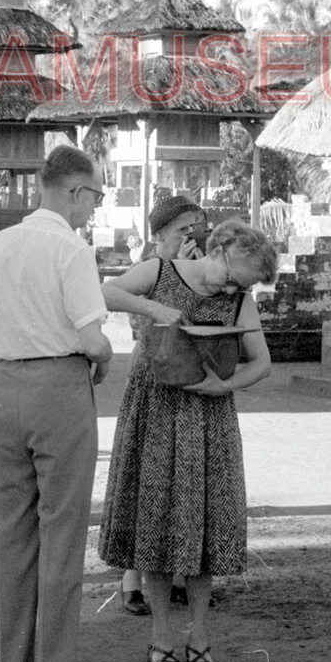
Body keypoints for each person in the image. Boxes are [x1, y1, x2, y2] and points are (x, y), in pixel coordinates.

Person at [0, 145, 114, 662]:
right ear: (74, 191)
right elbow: (93, 339)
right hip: (59, 388)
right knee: (63, 532)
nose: (94, 207)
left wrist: (14, 333)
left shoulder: (2, 242)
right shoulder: (71, 249)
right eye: (95, 195)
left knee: (12, 535)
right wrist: (101, 354)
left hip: (5, 387)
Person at [98, 219, 276, 662]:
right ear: (217, 249)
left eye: (243, 286)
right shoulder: (159, 271)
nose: (233, 289)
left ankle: (199, 634)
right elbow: (105, 292)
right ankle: (161, 635)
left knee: (202, 526)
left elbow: (263, 363)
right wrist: (155, 308)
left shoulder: (238, 299)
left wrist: (226, 386)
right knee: (156, 523)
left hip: (208, 419)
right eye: (233, 278)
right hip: (154, 410)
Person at [118, 194, 206, 616]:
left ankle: (172, 575)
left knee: (180, 481)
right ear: (159, 235)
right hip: (152, 381)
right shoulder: (148, 269)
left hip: (188, 382)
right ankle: (132, 578)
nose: (191, 236)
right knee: (145, 479)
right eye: (182, 229)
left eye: (196, 227)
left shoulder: (203, 269)